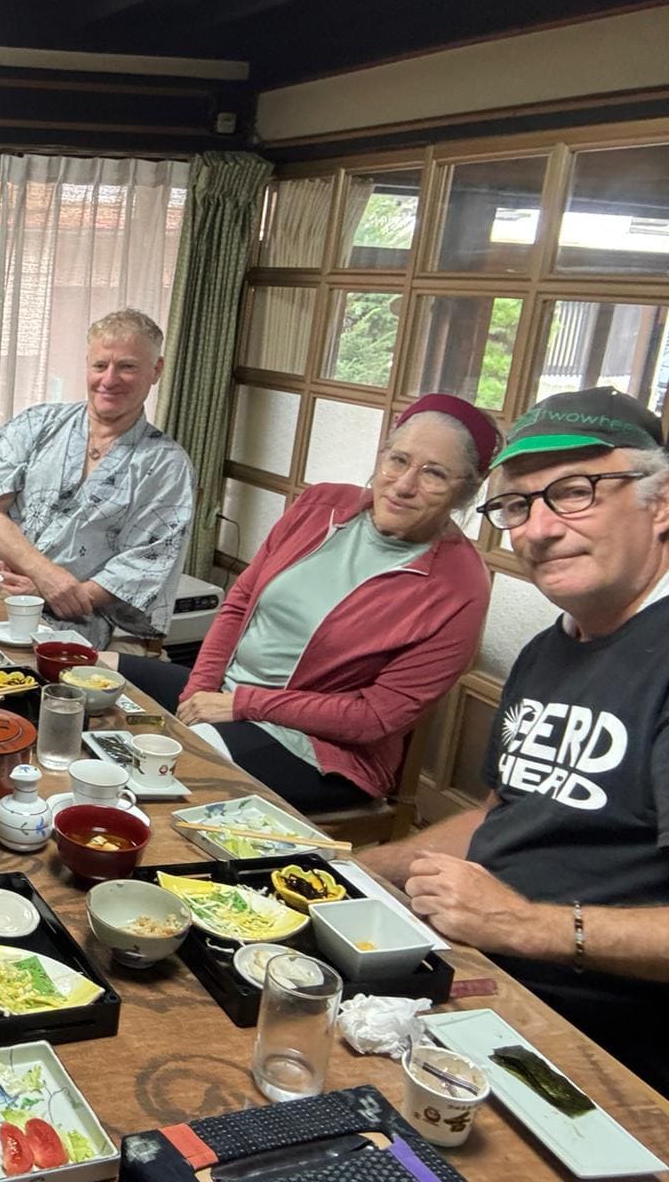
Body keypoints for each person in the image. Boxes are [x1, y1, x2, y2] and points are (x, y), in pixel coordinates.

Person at [362, 387, 669, 1096]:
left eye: (574, 492)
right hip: (473, 974)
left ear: (659, 503)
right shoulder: (549, 651)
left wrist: (525, 925)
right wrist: (372, 869)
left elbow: (518, 920)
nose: (537, 529)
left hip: (593, 1045)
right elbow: (504, 811)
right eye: (517, 506)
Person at [110, 394, 498, 813]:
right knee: (82, 670)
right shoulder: (321, 505)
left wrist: (243, 704)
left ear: (467, 492)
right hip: (224, 697)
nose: (404, 485)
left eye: (434, 474)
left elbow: (375, 718)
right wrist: (200, 691)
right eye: (398, 460)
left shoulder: (460, 588)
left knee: (156, 770)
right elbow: (240, 602)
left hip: (320, 750)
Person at [0, 308, 195, 649]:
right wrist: (45, 574)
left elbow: (147, 561)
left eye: (127, 366)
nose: (109, 379)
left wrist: (53, 592)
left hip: (78, 626)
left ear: (156, 369)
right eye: (100, 365)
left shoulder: (166, 465)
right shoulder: (37, 423)